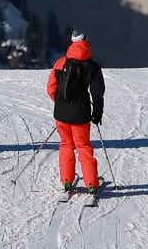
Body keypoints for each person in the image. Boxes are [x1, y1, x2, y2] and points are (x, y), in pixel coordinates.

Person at [46, 31, 105, 196]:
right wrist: (97, 114)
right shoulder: (93, 66)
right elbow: (97, 94)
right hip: (81, 114)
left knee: (66, 145)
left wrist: (60, 104)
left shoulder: (61, 62)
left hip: (61, 114)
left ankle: (66, 182)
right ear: (86, 43)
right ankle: (92, 185)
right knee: (84, 147)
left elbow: (51, 88)